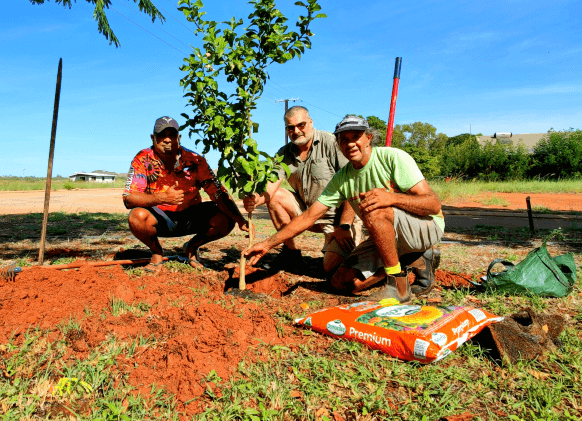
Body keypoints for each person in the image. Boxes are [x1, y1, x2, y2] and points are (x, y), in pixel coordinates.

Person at [244, 115, 444, 302]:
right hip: (385, 237)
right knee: (341, 282)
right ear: (338, 144)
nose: (350, 143)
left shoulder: (393, 158)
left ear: (368, 138)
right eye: (344, 139)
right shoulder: (342, 179)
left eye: (356, 137)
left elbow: (433, 205)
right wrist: (269, 243)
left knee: (374, 206)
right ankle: (412, 258)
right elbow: (310, 215)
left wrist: (390, 198)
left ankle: (398, 285)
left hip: (424, 227)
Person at [242, 106, 361, 272]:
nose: (296, 131)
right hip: (307, 214)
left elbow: (353, 185)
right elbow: (271, 187)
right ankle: (291, 254)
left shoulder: (331, 142)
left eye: (301, 125)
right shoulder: (284, 153)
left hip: (337, 218)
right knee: (276, 196)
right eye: (291, 128)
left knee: (334, 270)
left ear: (311, 122)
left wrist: (345, 225)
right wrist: (256, 200)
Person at [123, 116, 250, 272]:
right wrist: (162, 197)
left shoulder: (195, 160)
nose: (167, 140)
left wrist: (240, 219)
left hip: (191, 217)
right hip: (160, 218)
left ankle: (191, 247)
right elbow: (128, 199)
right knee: (137, 217)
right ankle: (156, 252)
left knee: (227, 216)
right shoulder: (143, 159)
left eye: (172, 135)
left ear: (179, 138)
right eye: (162, 135)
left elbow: (217, 192)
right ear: (152, 138)